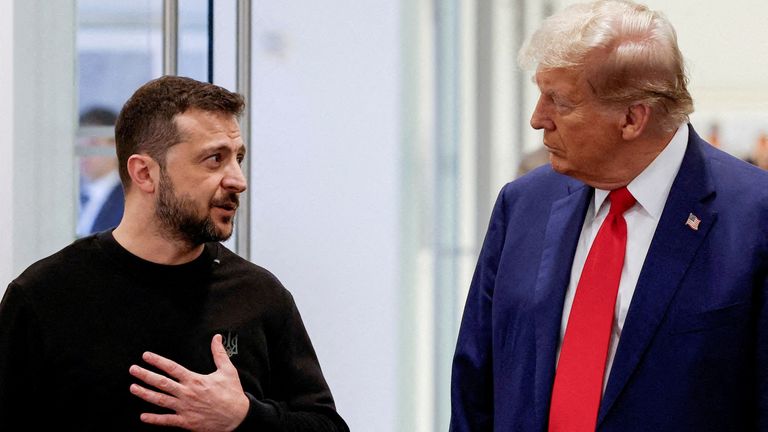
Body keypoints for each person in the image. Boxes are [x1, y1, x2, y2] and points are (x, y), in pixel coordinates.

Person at [450, 1, 768, 431]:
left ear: (632, 118)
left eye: (558, 102)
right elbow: (475, 389)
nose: (537, 119)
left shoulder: (754, 218)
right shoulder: (523, 205)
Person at [0, 76, 349, 431]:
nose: (238, 180)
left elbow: (326, 425)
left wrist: (245, 417)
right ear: (145, 173)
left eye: (237, 158)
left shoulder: (258, 296)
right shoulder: (44, 297)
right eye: (215, 159)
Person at [77, 106, 125, 237]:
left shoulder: (128, 202)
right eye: (79, 144)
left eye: (93, 143)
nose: (84, 153)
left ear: (115, 146)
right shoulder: (67, 198)